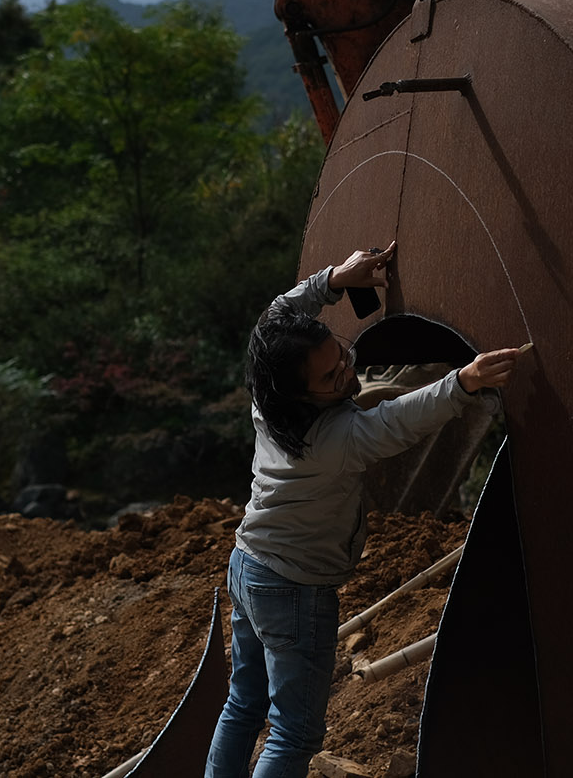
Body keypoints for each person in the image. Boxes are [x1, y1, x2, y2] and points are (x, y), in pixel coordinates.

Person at [205, 242, 523, 778]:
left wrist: (334, 279)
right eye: (331, 379)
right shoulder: (333, 440)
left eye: (341, 354)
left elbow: (275, 317)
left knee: (243, 705)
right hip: (294, 590)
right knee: (293, 732)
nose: (347, 372)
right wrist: (464, 382)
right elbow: (396, 421)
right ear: (300, 396)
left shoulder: (269, 399)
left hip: (249, 566)